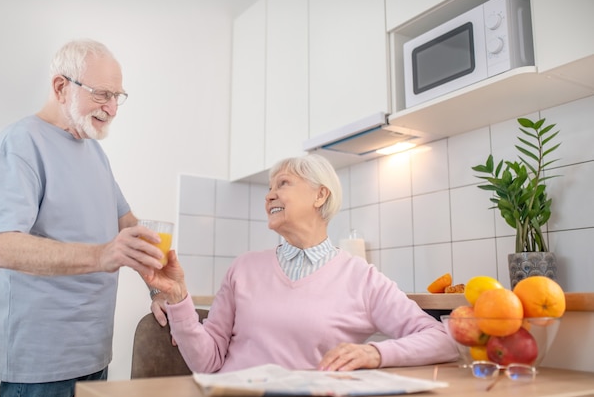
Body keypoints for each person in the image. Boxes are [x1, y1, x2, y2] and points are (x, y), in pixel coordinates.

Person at [0, 39, 166, 397]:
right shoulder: (19, 144)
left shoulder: (95, 153)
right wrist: (103, 254)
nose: (112, 108)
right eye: (101, 94)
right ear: (61, 87)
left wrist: (157, 289)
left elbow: (129, 226)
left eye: (117, 96)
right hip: (40, 365)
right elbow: (5, 247)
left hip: (95, 355)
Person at [144, 154, 459, 373]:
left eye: (282, 184)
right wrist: (178, 295)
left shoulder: (361, 278)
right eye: (269, 188)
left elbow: (441, 340)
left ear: (320, 195)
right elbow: (206, 361)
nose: (269, 196)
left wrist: (375, 353)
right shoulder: (243, 269)